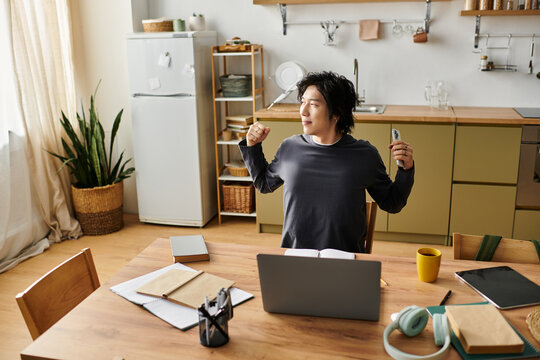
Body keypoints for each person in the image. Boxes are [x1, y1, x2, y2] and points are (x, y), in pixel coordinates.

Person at [238, 71, 414, 253]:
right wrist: (253, 146)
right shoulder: (290, 147)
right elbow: (263, 184)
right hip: (295, 257)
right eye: (302, 102)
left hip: (346, 260)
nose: (303, 111)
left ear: (336, 112)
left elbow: (393, 203)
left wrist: (406, 169)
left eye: (313, 104)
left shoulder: (364, 155)